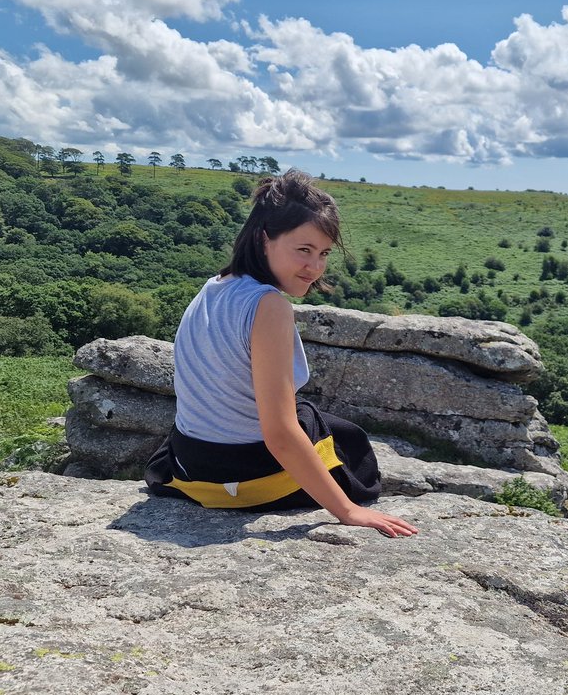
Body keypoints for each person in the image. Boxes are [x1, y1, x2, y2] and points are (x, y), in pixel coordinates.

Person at [145, 170, 417, 538]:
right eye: (303, 250)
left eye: (323, 253)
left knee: (314, 417)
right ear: (264, 240)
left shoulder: (213, 287)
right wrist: (347, 510)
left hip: (189, 463)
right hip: (239, 478)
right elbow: (280, 434)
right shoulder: (268, 306)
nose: (316, 267)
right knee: (347, 443)